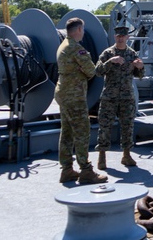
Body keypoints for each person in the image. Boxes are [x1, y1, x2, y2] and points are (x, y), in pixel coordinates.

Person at [55, 16, 108, 184]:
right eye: (82, 29)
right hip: (74, 95)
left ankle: (67, 170)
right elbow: (92, 71)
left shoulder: (63, 45)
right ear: (78, 30)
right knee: (82, 131)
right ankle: (86, 170)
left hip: (63, 92)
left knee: (67, 132)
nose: (83, 33)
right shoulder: (76, 49)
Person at [95, 25, 145, 170]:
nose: (120, 38)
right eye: (118, 36)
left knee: (127, 126)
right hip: (109, 96)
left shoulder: (132, 54)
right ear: (115, 37)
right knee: (105, 126)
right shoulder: (108, 53)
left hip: (127, 96)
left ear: (127, 37)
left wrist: (140, 67)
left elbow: (140, 76)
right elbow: (97, 71)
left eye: (123, 36)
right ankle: (102, 156)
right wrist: (110, 62)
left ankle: (127, 155)